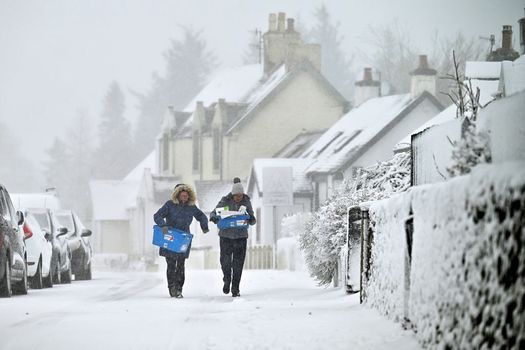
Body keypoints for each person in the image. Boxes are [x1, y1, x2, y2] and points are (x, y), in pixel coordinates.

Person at [154, 183, 208, 298]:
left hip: (183, 239)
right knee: (171, 264)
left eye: (186, 196)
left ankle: (179, 289)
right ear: (177, 195)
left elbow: (201, 216)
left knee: (181, 264)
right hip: (170, 237)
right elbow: (157, 215)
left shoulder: (191, 207)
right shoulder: (169, 205)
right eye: (182, 195)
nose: (184, 198)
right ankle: (172, 287)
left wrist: (204, 226)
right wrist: (163, 225)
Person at [209, 177, 256, 297]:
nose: (238, 198)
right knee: (225, 262)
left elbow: (252, 218)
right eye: (236, 196)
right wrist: (214, 217)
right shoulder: (225, 200)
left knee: (238, 264)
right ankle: (227, 280)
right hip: (226, 237)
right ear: (233, 194)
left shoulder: (246, 201)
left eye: (240, 196)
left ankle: (235, 288)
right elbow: (214, 212)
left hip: (241, 237)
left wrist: (251, 219)